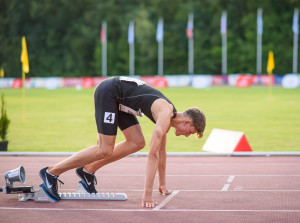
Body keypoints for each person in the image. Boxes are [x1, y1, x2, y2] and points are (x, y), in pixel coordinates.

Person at [39, 76, 206, 208]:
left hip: (121, 101)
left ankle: (88, 170)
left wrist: (162, 183)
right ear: (186, 122)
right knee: (104, 149)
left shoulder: (168, 119)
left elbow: (162, 153)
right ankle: (51, 173)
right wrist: (147, 193)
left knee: (137, 142)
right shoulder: (165, 114)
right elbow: (153, 155)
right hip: (109, 92)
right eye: (190, 133)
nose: (186, 136)